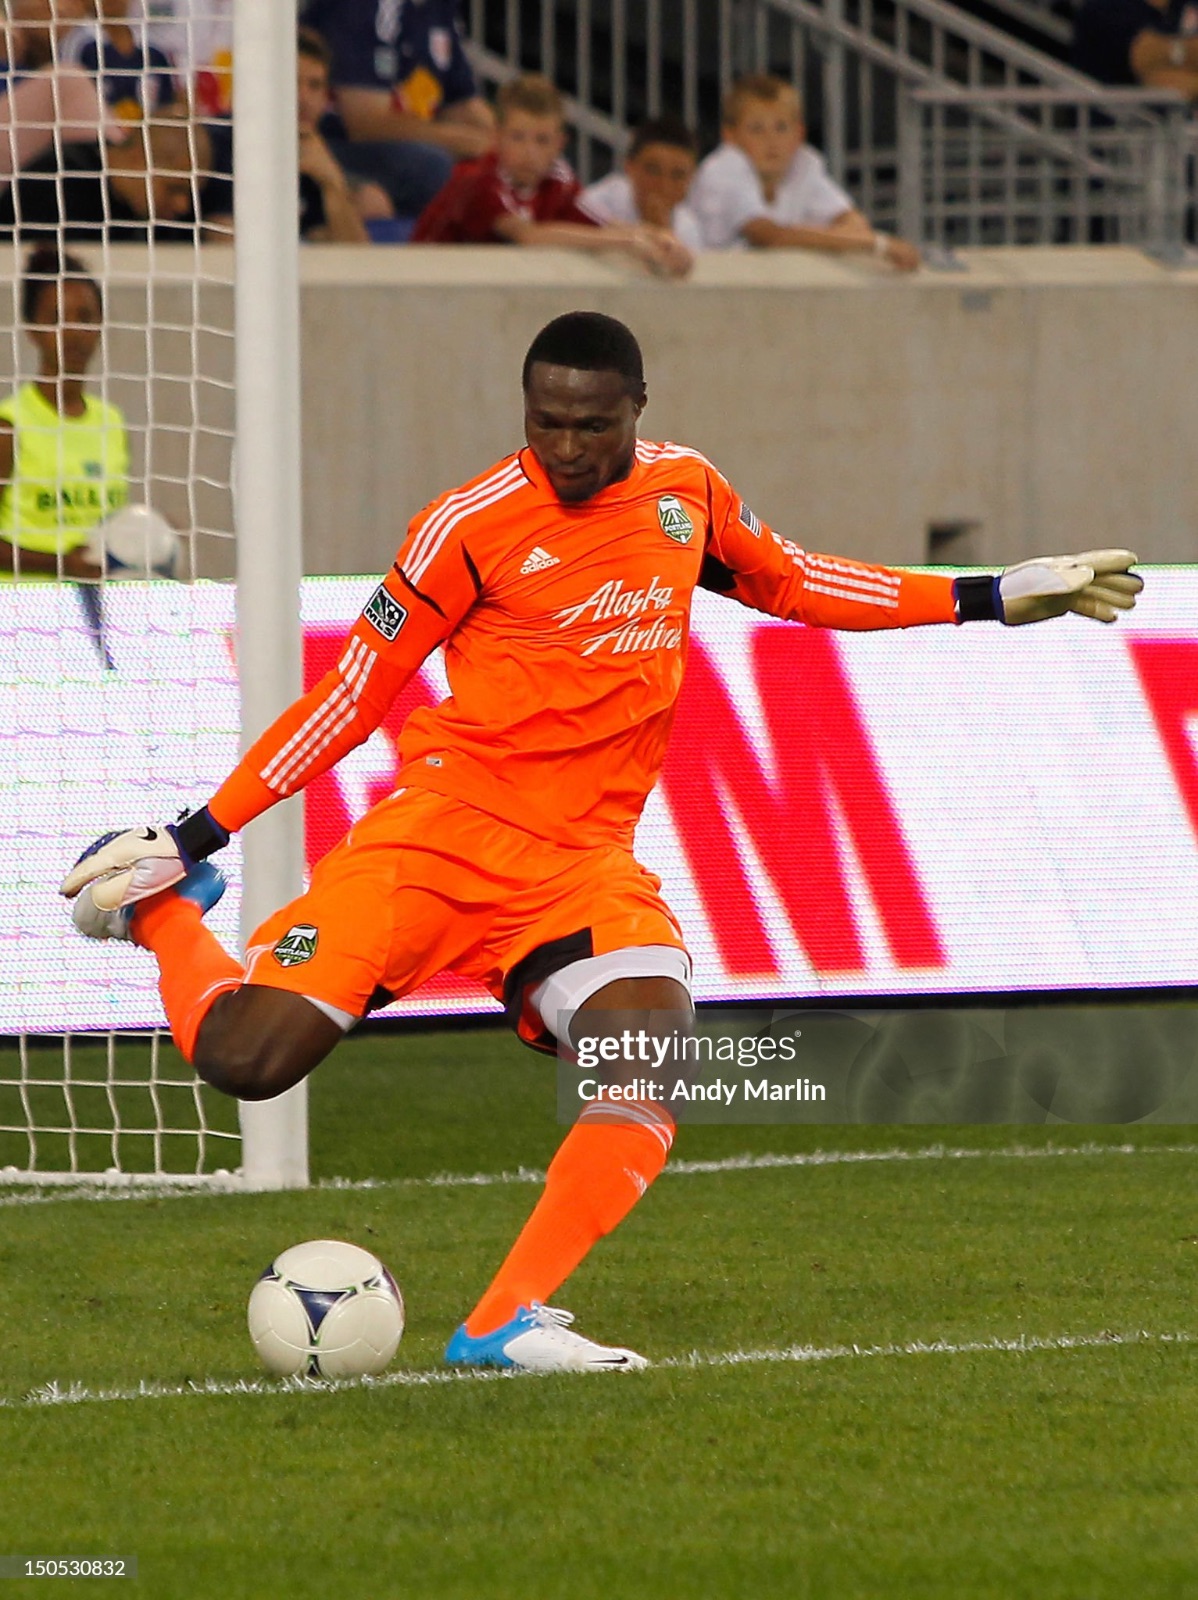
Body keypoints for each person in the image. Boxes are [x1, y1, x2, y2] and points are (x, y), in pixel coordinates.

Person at [60, 312, 1142, 1373]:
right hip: (438, 840)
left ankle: (502, 1322)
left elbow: (796, 581)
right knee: (245, 1062)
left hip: (578, 864)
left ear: (637, 409)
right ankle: (169, 911)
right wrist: (197, 831)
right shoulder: (467, 525)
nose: (568, 450)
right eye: (546, 424)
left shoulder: (686, 492)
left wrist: (989, 595)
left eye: (593, 426)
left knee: (649, 1051)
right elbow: (349, 696)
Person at [413, 75, 692, 277]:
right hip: (424, 277)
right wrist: (629, 242)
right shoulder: (479, 179)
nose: (529, 152)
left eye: (542, 140)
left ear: (559, 144)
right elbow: (529, 235)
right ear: (496, 137)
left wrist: (661, 240)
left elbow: (604, 224)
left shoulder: (559, 178)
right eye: (518, 137)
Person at [691, 73, 921, 270]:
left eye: (781, 128)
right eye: (756, 129)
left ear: (799, 133)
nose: (771, 141)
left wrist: (810, 237)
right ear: (730, 136)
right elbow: (768, 237)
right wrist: (876, 244)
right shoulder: (724, 168)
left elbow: (854, 224)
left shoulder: (805, 164)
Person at [300, 0, 494, 221]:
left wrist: (500, 143)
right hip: (327, 143)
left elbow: (463, 102)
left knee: (509, 165)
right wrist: (465, 141)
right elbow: (365, 123)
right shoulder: (358, 7)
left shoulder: (441, 7)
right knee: (430, 166)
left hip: (397, 146)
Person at [0, 245, 127, 580]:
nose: (72, 332)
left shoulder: (110, 421)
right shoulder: (9, 424)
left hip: (100, 613)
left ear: (100, 324)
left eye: (84, 317)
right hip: (22, 617)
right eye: (56, 318)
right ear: (32, 329)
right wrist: (61, 564)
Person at [0, 107, 210, 241]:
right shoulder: (58, 183)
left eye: (190, 194)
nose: (183, 205)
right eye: (174, 188)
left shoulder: (161, 221)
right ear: (138, 158)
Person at [0, 0, 113, 182]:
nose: (60, 8)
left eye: (75, 4)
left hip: (28, 182)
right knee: (68, 81)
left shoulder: (60, 59)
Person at [581, 115, 703, 253]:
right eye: (653, 171)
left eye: (678, 175)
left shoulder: (688, 226)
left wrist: (662, 232)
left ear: (692, 178)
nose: (664, 185)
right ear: (629, 166)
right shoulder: (593, 205)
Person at [297, 26, 370, 244]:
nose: (304, 98)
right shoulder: (228, 146)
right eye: (292, 82)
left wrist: (332, 185)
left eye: (315, 86)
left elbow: (359, 262)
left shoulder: (317, 160)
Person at [61, 0, 176, 121]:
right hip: (94, 135)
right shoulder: (78, 44)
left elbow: (168, 105)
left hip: (148, 136)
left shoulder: (154, 50)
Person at [1072, 0, 1198, 93]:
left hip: (1173, 118)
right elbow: (1146, 57)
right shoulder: (1103, 8)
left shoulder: (1183, 6)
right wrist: (1182, 52)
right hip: (1116, 120)